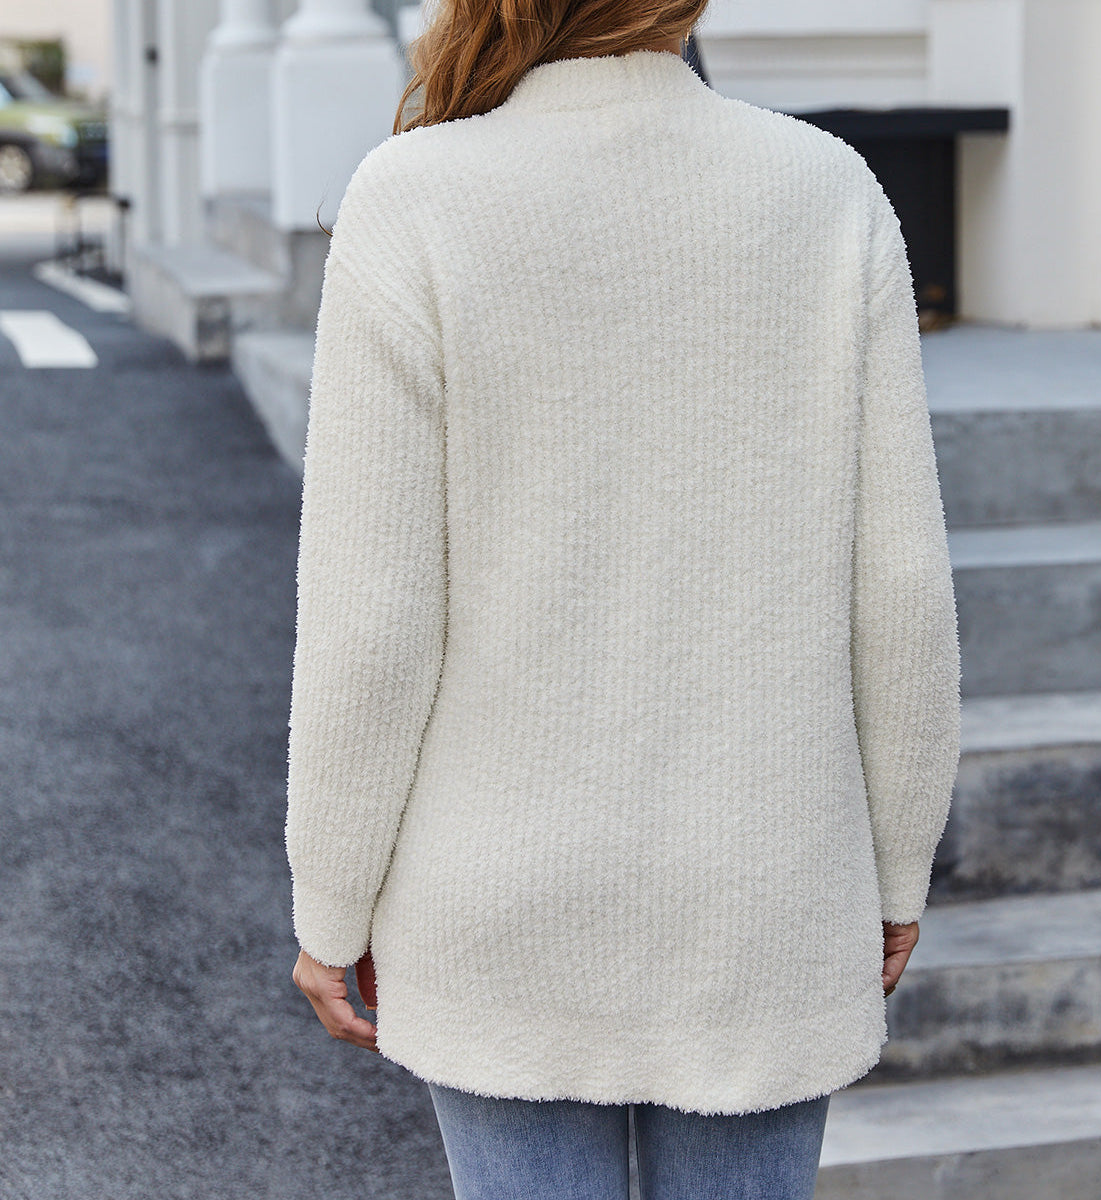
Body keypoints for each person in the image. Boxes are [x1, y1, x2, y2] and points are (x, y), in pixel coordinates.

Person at [285, 1, 962, 1196]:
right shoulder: (827, 192)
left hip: (500, 905)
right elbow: (901, 591)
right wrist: (898, 864)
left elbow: (373, 618)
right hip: (764, 898)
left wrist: (331, 897)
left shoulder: (413, 197)